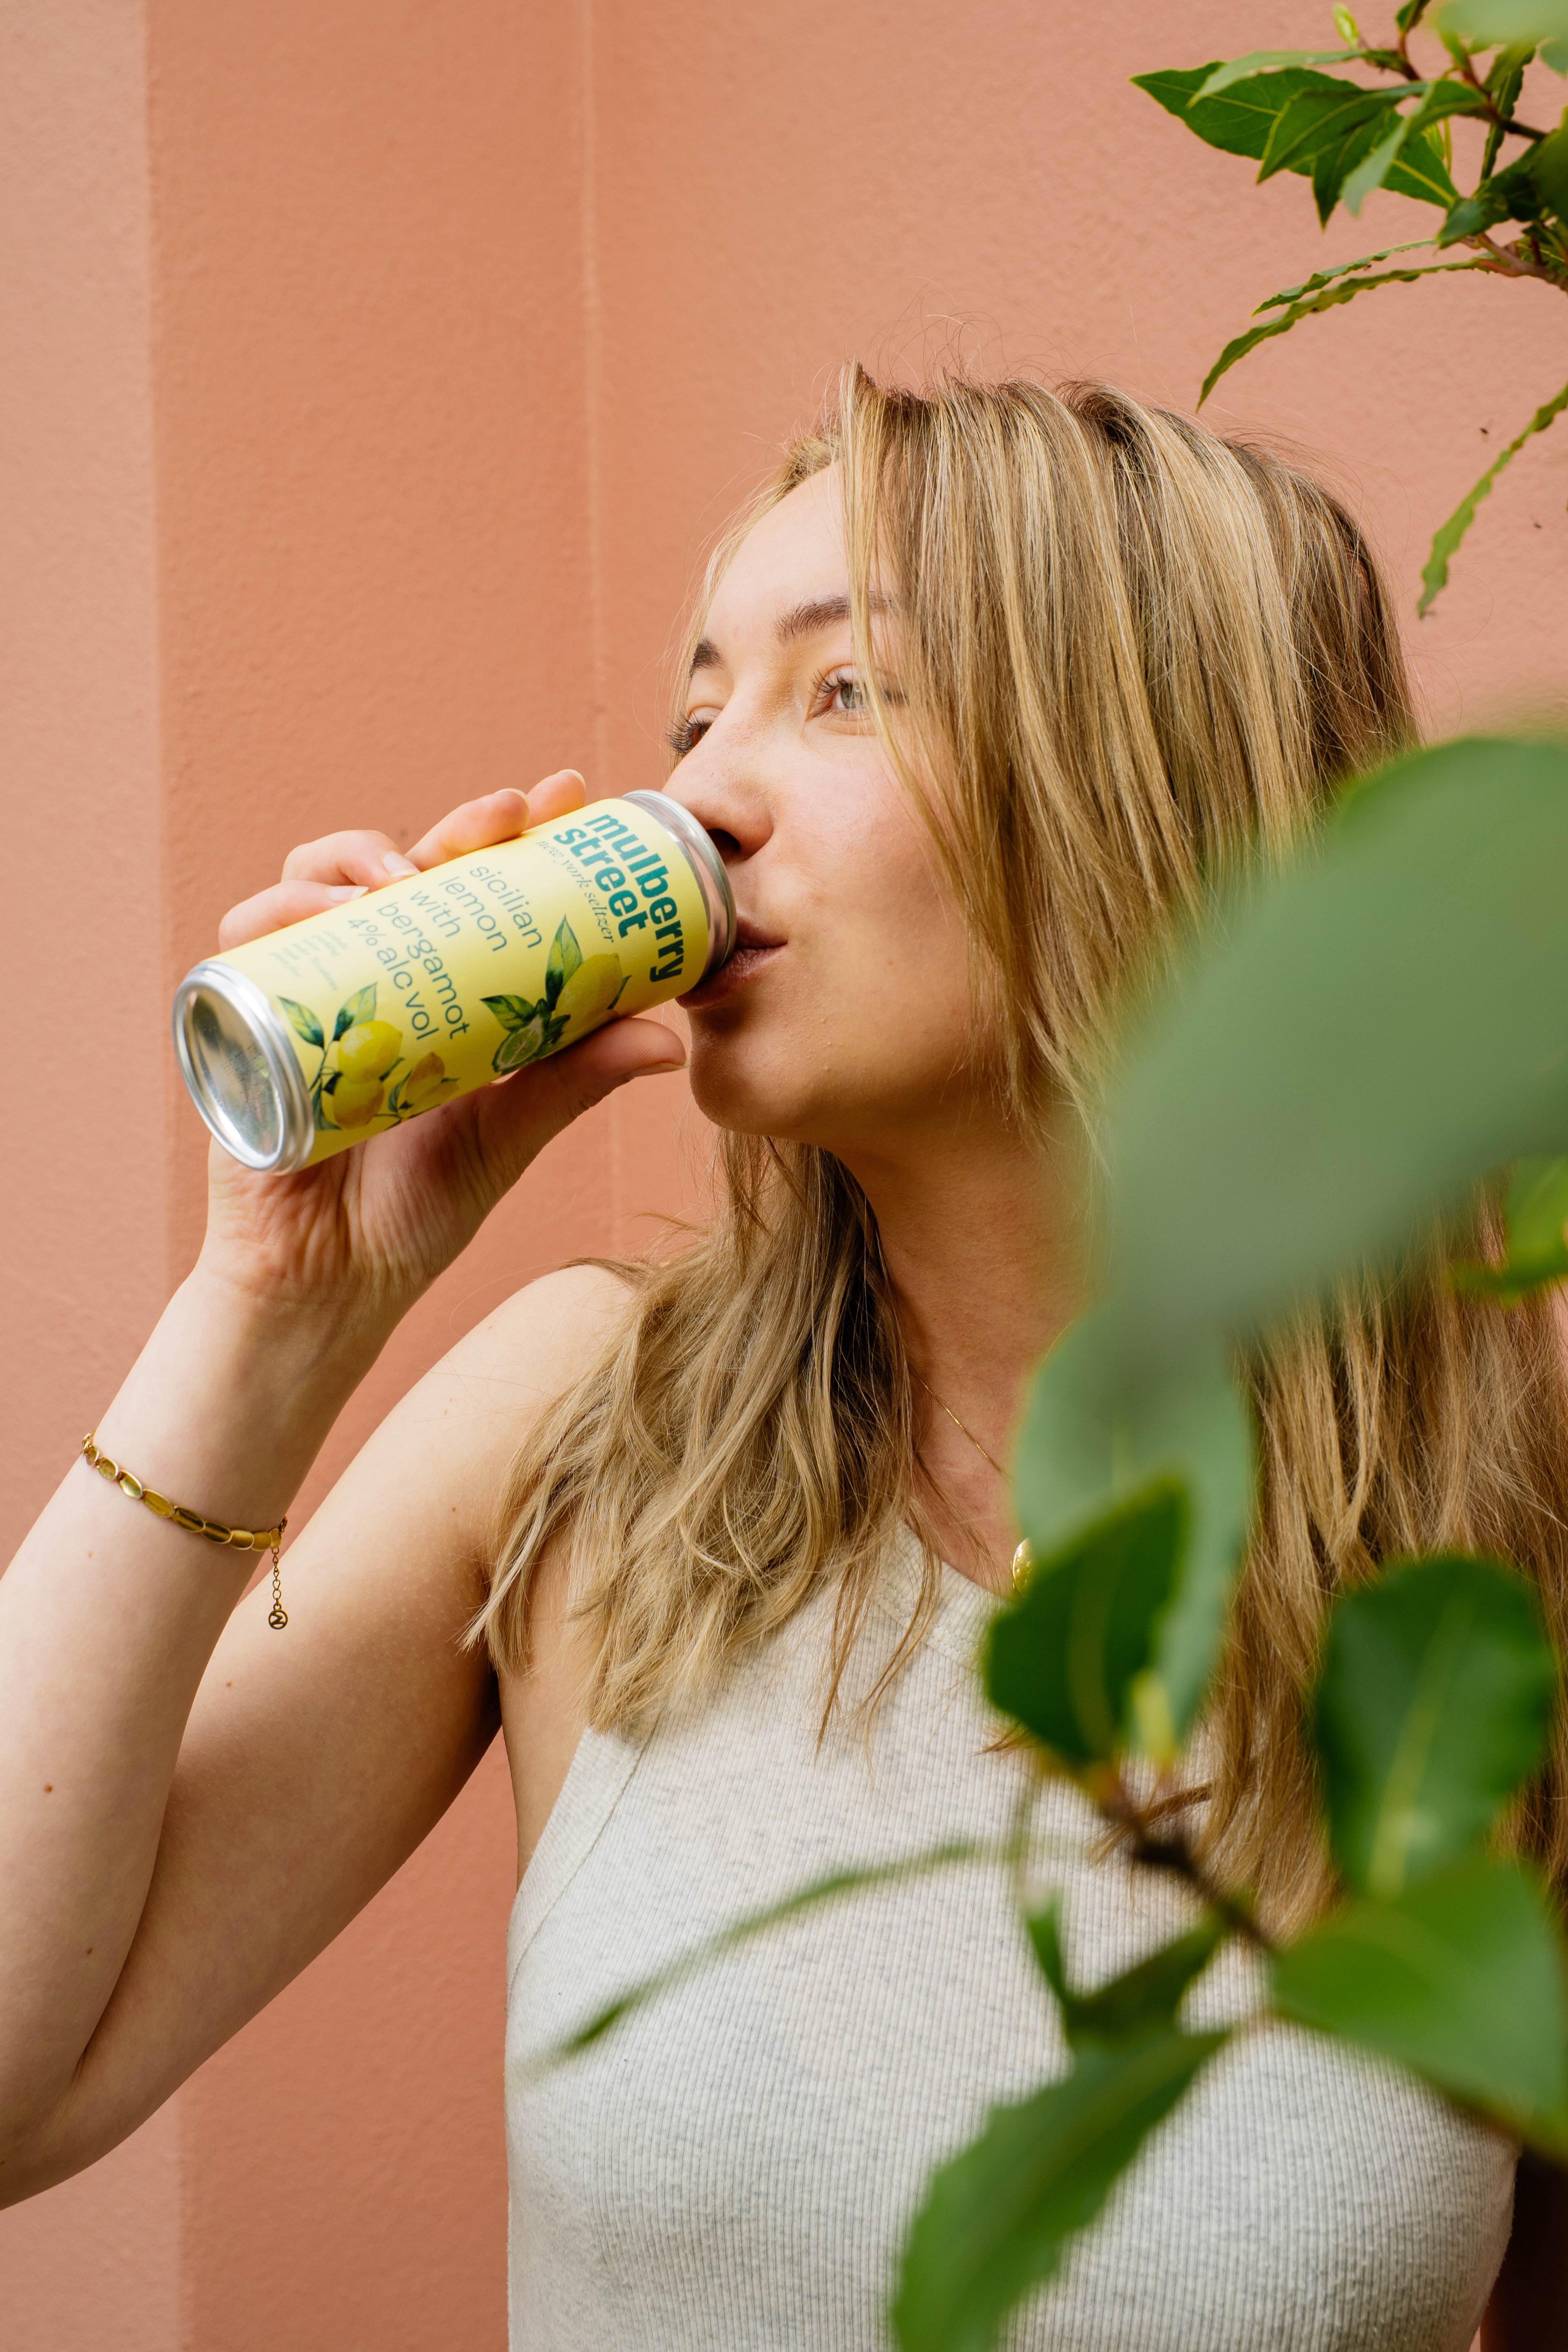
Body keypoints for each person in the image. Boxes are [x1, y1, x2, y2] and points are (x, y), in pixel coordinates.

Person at [3, 368, 1564, 2351]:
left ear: (1156, 786)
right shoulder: (591, 1437)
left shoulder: (1500, 1561)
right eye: (696, 708)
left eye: (844, 692)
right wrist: (275, 1310)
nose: (699, 797)